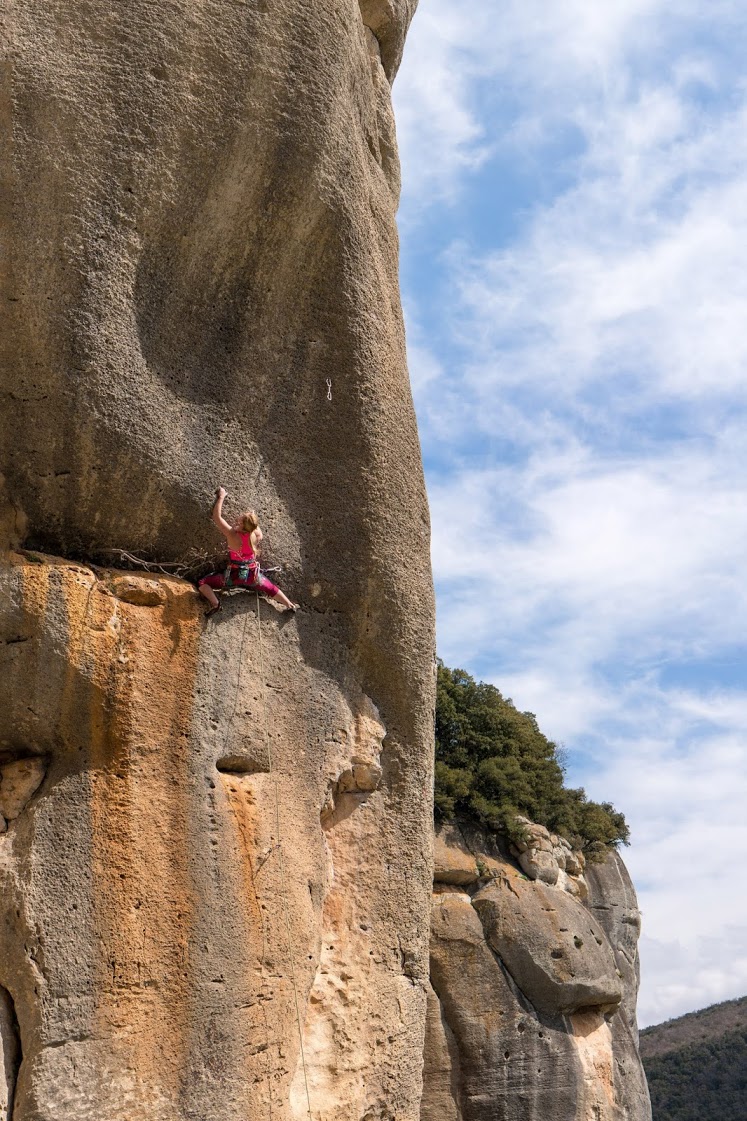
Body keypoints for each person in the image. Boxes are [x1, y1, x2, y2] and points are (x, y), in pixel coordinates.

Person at [198, 488, 298, 617]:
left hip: (231, 577)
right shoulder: (256, 536)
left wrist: (221, 496)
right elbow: (256, 529)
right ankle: (289, 605)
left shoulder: (232, 535)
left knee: (202, 583)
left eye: (238, 523)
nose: (236, 523)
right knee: (270, 588)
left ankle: (216, 604)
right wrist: (252, 518)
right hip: (252, 576)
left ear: (244, 526)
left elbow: (217, 517)